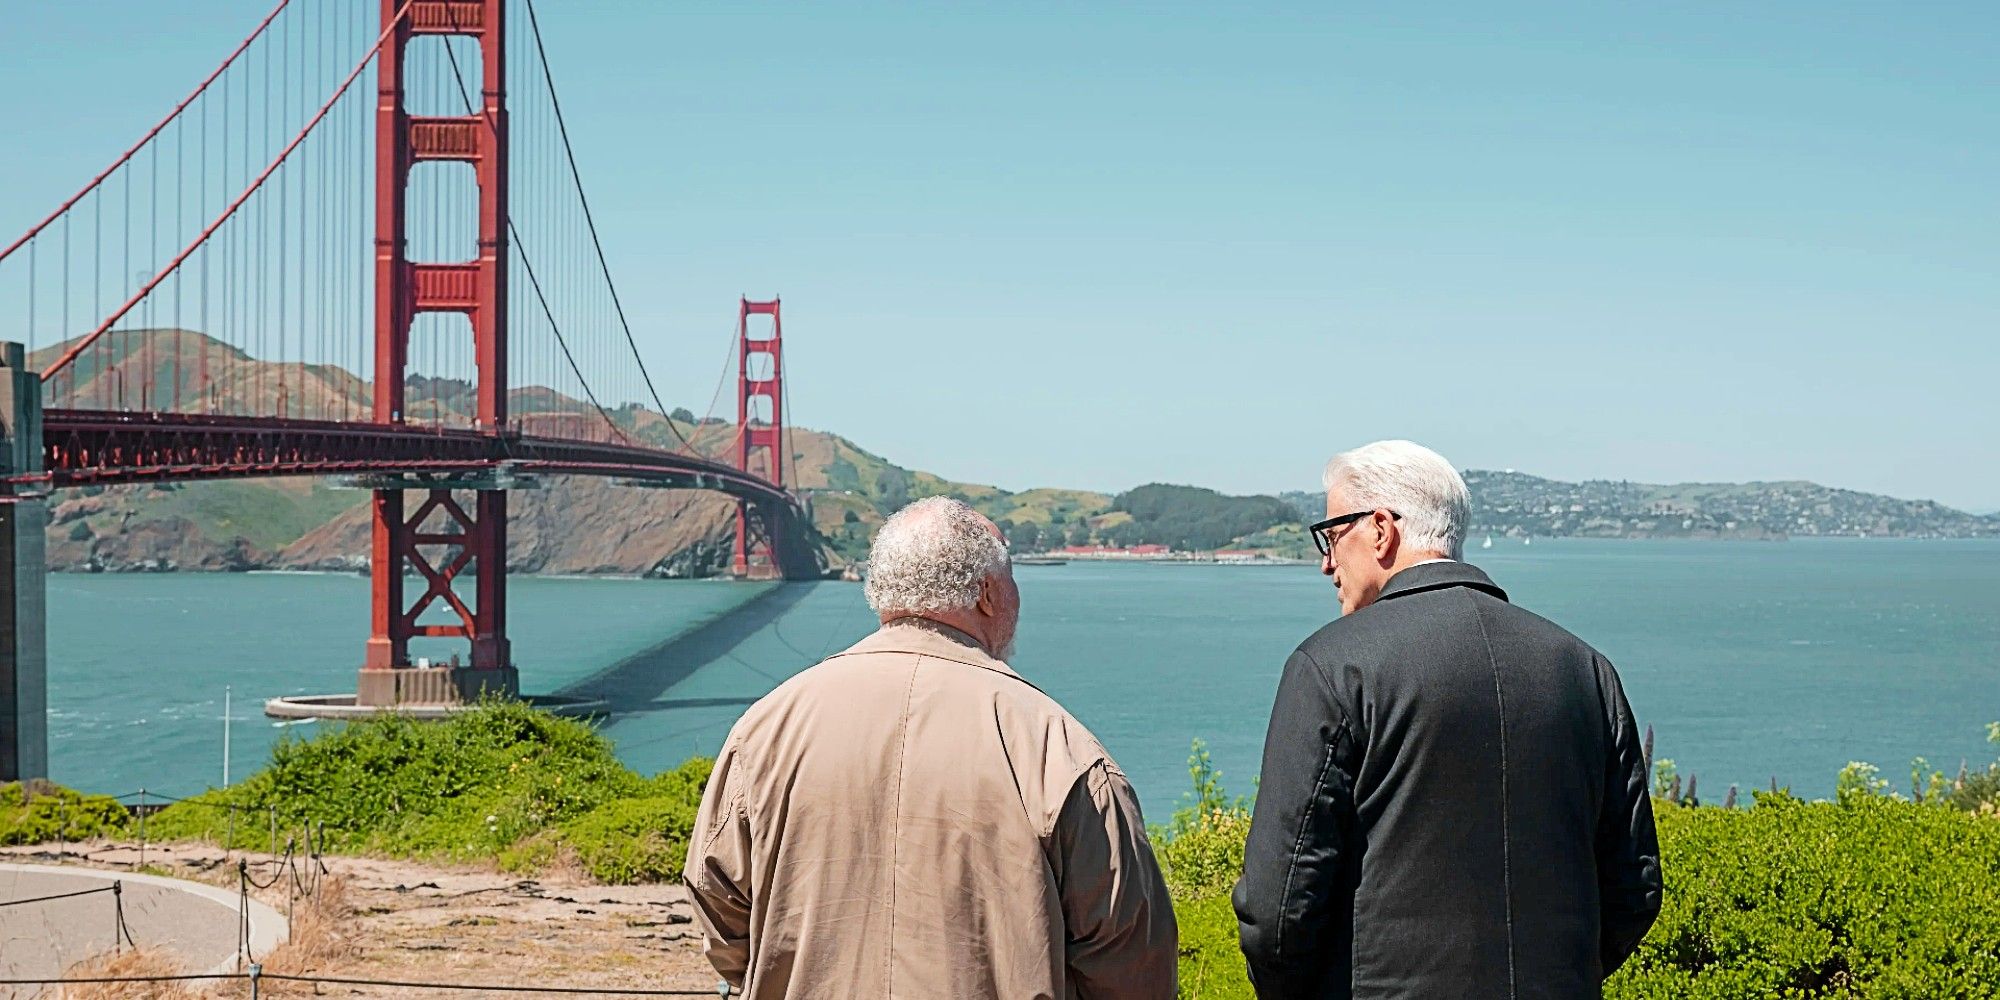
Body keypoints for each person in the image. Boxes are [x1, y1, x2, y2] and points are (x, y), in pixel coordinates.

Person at [685, 496, 1177, 999]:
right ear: (986, 594)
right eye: (1011, 580)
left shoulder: (767, 728)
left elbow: (718, 904)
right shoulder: (1058, 747)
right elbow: (1133, 962)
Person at [1233, 440, 1662, 998]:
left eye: (1332, 536)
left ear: (1381, 529)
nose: (1326, 563)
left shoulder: (1334, 666)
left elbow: (1278, 905)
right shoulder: (1585, 669)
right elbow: (1633, 886)